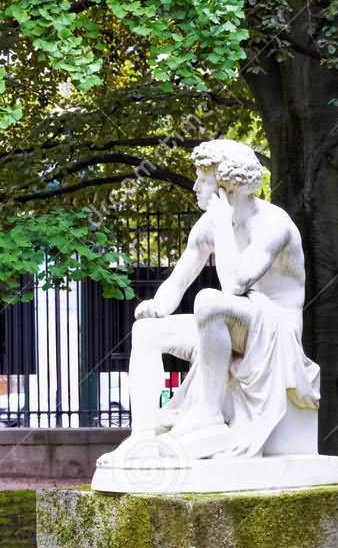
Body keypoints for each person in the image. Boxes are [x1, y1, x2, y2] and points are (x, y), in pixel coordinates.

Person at [98, 138, 320, 465]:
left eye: (203, 179)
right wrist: (157, 306)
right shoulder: (207, 227)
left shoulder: (274, 224)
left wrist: (221, 225)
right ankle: (143, 436)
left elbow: (236, 283)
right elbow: (178, 280)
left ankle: (209, 415)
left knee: (209, 301)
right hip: (235, 321)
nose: (195, 186)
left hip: (274, 330)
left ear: (226, 188)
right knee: (146, 333)